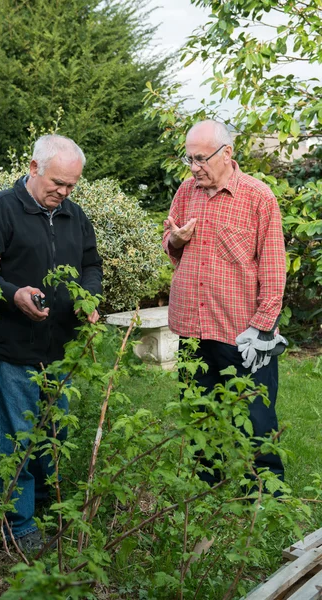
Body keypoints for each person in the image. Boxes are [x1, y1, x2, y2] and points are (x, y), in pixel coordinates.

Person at [0, 134, 103, 551]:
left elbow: (90, 263)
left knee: (51, 442)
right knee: (17, 443)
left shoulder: (75, 216)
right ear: (34, 167)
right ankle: (18, 529)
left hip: (62, 352)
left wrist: (87, 296)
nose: (64, 192)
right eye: (58, 182)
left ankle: (42, 513)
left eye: (72, 185)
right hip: (15, 350)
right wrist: (11, 294)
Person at [163, 120, 287, 487]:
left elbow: (274, 268)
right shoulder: (186, 192)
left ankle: (266, 495)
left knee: (256, 418)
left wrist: (262, 326)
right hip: (192, 327)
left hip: (241, 334)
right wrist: (178, 241)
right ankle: (205, 488)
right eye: (189, 158)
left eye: (201, 158)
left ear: (227, 153)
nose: (194, 167)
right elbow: (170, 247)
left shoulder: (258, 196)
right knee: (199, 412)